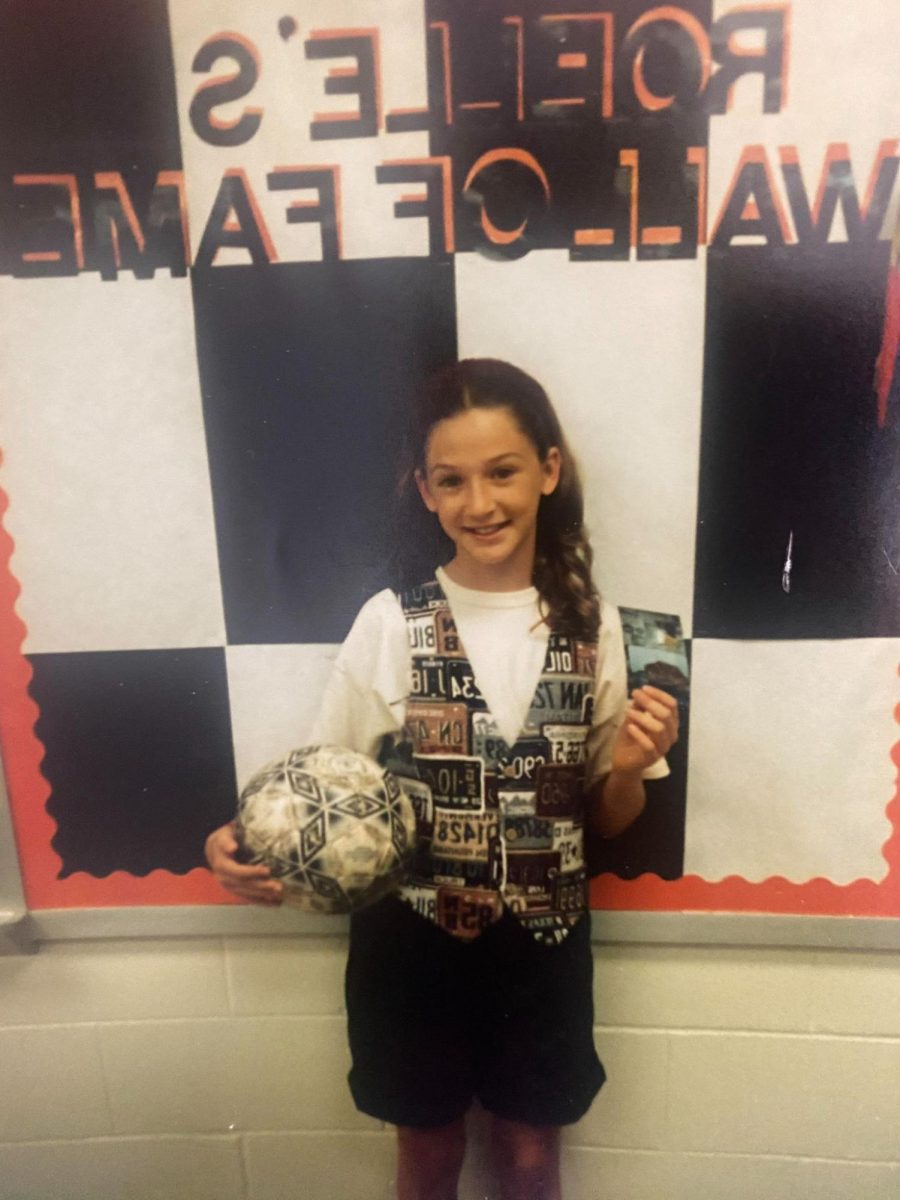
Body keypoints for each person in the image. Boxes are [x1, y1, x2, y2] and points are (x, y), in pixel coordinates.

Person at [205, 358, 679, 1200]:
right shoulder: (391, 622)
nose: (481, 503)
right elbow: (318, 783)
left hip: (544, 948)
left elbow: (609, 820)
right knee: (426, 1158)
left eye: (502, 473)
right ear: (424, 491)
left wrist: (631, 771)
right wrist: (233, 840)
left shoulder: (598, 627)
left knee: (532, 1161)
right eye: (452, 480)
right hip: (412, 948)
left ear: (548, 470)